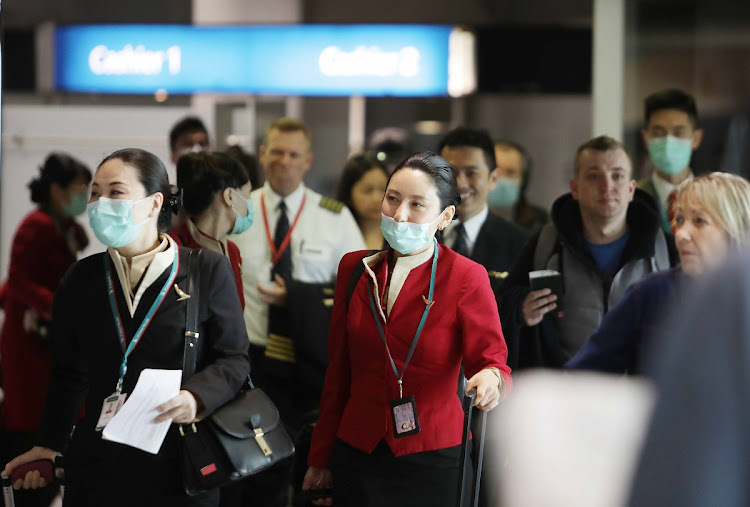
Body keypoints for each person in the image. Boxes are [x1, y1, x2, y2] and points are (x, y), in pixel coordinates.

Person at [2, 148, 250, 507]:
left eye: (116, 192)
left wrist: (195, 397)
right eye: (95, 193)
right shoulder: (81, 279)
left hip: (179, 461)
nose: (101, 203)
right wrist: (48, 444)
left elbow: (234, 359)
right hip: (99, 466)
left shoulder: (205, 270)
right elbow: (69, 374)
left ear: (154, 204)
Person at [302, 152, 512, 507]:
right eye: (393, 199)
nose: (399, 215)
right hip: (359, 451)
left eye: (417, 205)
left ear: (444, 217)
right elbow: (338, 373)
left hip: (434, 457)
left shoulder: (465, 276)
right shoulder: (355, 269)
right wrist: (320, 457)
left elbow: (493, 362)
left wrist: (491, 379)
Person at [230, 118, 365, 507]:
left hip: (309, 365)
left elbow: (355, 287)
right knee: (251, 469)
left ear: (307, 161)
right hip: (251, 359)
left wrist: (300, 297)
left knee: (302, 465)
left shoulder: (334, 217)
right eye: (276, 152)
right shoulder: (239, 210)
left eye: (293, 155)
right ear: (262, 155)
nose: (284, 162)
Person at [497, 135, 678, 370]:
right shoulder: (546, 243)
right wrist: (521, 308)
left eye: (617, 176)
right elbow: (501, 303)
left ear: (631, 189)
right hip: (566, 393)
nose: (607, 186)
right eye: (594, 176)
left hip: (639, 394)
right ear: (575, 188)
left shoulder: (665, 249)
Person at [567, 172, 750, 374]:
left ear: (736, 229)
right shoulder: (652, 293)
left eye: (699, 221)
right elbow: (583, 373)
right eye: (679, 220)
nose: (681, 234)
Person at [0, 153, 91, 507]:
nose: (84, 196)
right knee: (28, 413)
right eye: (80, 188)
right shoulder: (35, 224)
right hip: (29, 343)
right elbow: (19, 278)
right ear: (56, 190)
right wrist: (60, 308)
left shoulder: (58, 224)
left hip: (47, 338)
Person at [438, 128, 529, 287]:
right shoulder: (416, 234)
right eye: (451, 172)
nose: (460, 184)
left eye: (471, 173)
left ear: (493, 178)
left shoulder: (520, 245)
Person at [170, 151, 252, 308]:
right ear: (229, 196)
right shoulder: (172, 248)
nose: (249, 204)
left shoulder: (232, 252)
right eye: (247, 195)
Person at [637, 89, 704, 233]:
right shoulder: (632, 199)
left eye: (678, 132)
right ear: (645, 139)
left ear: (696, 138)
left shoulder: (712, 200)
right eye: (658, 133)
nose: (668, 141)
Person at [489, 140, 549, 233]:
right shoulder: (461, 218)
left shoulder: (541, 224)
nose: (501, 178)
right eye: (495, 170)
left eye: (510, 172)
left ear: (523, 181)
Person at [334, 152, 389, 250]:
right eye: (367, 191)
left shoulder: (401, 237)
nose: (376, 198)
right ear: (349, 194)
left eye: (383, 189)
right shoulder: (334, 234)